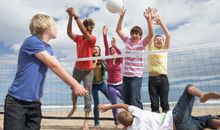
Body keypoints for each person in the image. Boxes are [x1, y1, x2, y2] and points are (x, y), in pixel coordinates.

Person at [3, 13, 87, 130]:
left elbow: (56, 66)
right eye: (54, 25)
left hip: (34, 103)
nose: (57, 28)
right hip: (17, 102)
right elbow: (53, 65)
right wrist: (75, 84)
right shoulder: (32, 41)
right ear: (46, 27)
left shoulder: (48, 48)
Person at [98, 84, 220, 130]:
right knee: (188, 88)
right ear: (131, 113)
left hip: (181, 129)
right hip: (175, 118)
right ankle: (202, 95)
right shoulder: (137, 112)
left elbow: (127, 127)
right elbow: (123, 105)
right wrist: (108, 107)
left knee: (207, 121)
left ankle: (213, 122)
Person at [116, 7, 156, 109]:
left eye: (137, 34)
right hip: (126, 76)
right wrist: (121, 16)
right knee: (127, 100)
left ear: (140, 36)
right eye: (133, 33)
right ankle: (130, 122)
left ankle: (140, 119)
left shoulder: (142, 43)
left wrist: (148, 19)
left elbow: (151, 34)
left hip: (136, 76)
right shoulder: (128, 41)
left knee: (135, 99)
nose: (135, 35)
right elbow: (118, 30)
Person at [66, 7, 96, 130]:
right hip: (77, 69)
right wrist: (70, 17)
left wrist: (75, 16)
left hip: (88, 71)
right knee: (73, 88)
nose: (90, 27)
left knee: (87, 95)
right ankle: (74, 106)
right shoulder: (78, 38)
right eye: (88, 25)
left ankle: (86, 122)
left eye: (91, 26)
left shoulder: (92, 38)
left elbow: (84, 32)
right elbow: (69, 33)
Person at [147, 14, 171, 113]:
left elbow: (168, 35)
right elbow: (151, 34)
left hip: (163, 79)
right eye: (157, 39)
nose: (159, 40)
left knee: (164, 103)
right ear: (154, 42)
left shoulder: (165, 49)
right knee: (154, 104)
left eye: (161, 39)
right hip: (152, 79)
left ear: (163, 42)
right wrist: (151, 20)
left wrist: (161, 23)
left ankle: (167, 123)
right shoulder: (151, 48)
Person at [102, 25, 124, 127]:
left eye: (114, 50)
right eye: (111, 51)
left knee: (127, 100)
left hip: (120, 84)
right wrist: (104, 35)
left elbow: (120, 53)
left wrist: (114, 46)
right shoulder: (108, 60)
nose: (113, 51)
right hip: (110, 85)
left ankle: (118, 93)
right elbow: (106, 47)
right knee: (114, 104)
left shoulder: (120, 60)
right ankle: (116, 123)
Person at [92, 45, 110, 128]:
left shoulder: (102, 60)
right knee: (96, 104)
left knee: (111, 98)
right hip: (93, 85)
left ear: (99, 52)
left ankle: (117, 119)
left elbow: (108, 69)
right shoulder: (88, 60)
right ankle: (97, 123)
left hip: (102, 83)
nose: (96, 51)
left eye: (97, 50)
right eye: (94, 49)